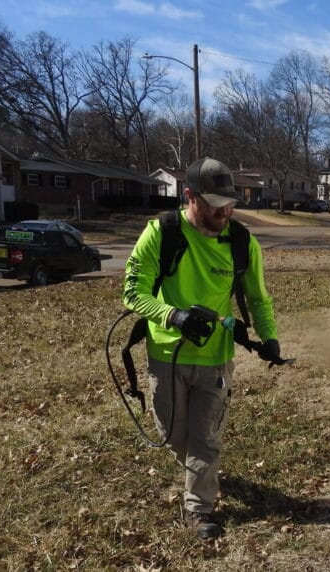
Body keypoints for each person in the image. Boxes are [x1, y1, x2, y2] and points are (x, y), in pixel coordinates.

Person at [122, 157, 280, 540]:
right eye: (214, 203)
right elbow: (133, 292)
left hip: (216, 359)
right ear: (189, 196)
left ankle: (199, 509)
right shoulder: (162, 233)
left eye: (230, 203)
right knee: (174, 436)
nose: (224, 211)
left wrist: (269, 336)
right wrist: (172, 316)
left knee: (205, 439)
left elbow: (258, 298)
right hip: (166, 355)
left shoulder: (242, 241)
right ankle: (202, 472)